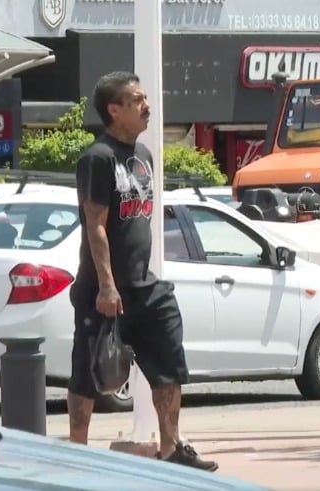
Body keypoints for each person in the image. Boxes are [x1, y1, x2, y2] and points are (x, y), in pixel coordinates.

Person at [66, 71, 217, 472]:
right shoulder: (96, 158)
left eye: (145, 98)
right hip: (104, 290)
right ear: (114, 110)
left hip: (145, 287)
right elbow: (94, 224)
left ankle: (171, 448)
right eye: (136, 100)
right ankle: (75, 454)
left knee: (169, 365)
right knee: (86, 375)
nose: (147, 106)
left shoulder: (144, 156)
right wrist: (107, 286)